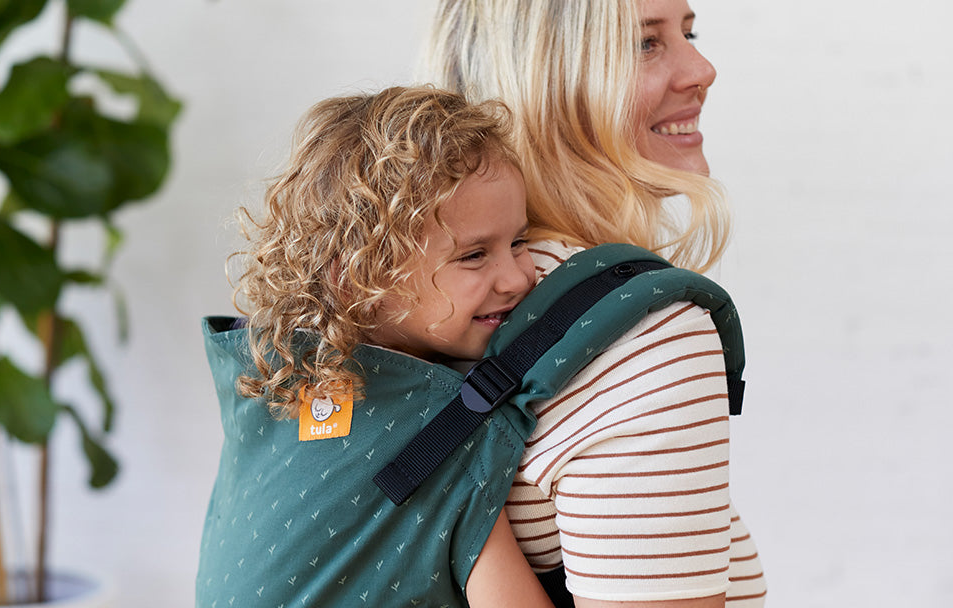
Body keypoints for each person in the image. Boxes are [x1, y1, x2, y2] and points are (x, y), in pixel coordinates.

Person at [420, 0, 768, 606]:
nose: (702, 68)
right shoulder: (638, 335)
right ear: (547, 79)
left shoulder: (415, 299)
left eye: (688, 33)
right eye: (644, 44)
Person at [196, 86, 554, 607]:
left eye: (519, 241)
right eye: (475, 255)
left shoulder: (272, 383)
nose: (520, 276)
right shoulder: (442, 437)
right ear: (360, 282)